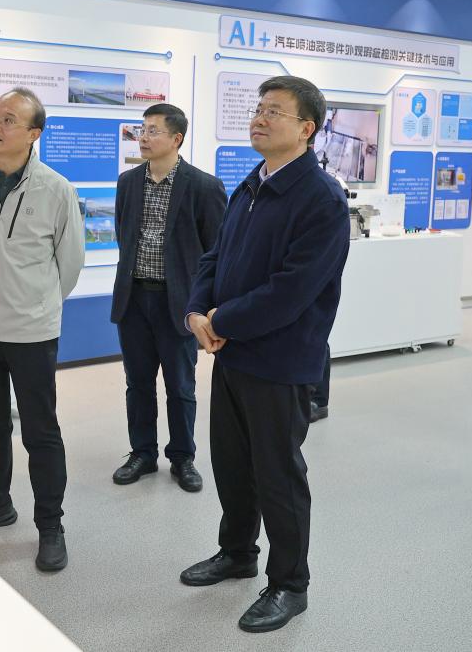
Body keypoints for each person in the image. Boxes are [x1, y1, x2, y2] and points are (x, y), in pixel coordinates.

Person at [181, 76, 349, 633]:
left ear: (306, 128)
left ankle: (290, 584)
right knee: (232, 465)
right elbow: (216, 255)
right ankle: (237, 553)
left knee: (278, 475)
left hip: (280, 361)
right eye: (259, 108)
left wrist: (220, 321)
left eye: (274, 111)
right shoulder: (253, 183)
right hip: (233, 355)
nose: (259, 117)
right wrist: (196, 310)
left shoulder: (321, 198)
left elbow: (291, 291)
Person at [0, 87, 85, 573]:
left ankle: (50, 524)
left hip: (31, 331)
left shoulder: (55, 189)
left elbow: (69, 264)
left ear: (33, 133)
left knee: (41, 431)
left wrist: (34, 304)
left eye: (9, 119)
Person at [110, 103, 226, 491]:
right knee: (138, 383)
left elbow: (215, 251)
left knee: (180, 386)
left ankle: (182, 457)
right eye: (142, 130)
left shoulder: (204, 186)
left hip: (179, 303)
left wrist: (206, 305)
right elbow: (123, 234)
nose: (143, 137)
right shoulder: (128, 182)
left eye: (153, 131)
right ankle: (142, 453)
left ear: (176, 138)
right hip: (134, 299)